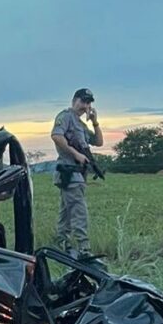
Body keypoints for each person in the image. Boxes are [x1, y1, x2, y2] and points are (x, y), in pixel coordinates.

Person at [51, 87, 103, 252]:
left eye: (88, 103)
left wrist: (95, 122)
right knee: (79, 210)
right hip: (69, 171)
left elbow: (99, 141)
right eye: (83, 101)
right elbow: (56, 136)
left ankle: (62, 242)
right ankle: (83, 248)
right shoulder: (65, 116)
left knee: (67, 210)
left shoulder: (81, 124)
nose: (85, 106)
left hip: (77, 173)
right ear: (74, 101)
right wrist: (76, 154)